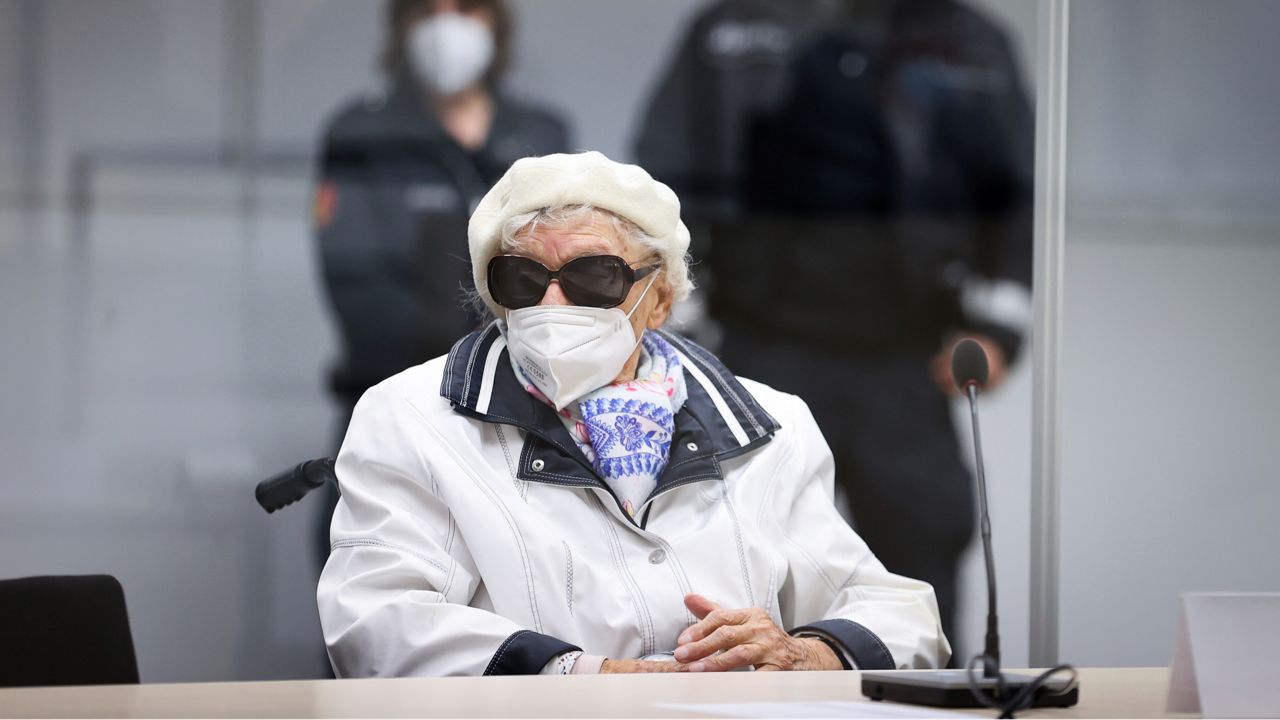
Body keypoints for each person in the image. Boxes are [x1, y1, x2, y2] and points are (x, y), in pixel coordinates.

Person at [316, 151, 950, 676]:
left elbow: (903, 616)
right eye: (522, 279)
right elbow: (375, 623)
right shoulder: (411, 416)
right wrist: (587, 678)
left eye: (594, 276)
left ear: (660, 299)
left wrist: (804, 653)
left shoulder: (770, 424)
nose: (554, 303)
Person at [709, 0, 1035, 646]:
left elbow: (1013, 198)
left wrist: (995, 334)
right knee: (742, 553)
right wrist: (684, 330)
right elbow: (678, 174)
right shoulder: (740, 23)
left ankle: (934, 702)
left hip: (906, 352)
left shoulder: (971, 41)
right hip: (764, 342)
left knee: (924, 543)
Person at [312, 0, 569, 574]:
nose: (446, 25)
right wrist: (464, 372)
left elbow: (567, 272)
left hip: (529, 419)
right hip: (393, 401)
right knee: (375, 593)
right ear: (401, 24)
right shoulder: (362, 132)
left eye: (467, 8)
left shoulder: (540, 134)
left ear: (496, 23)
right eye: (428, 10)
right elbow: (357, 285)